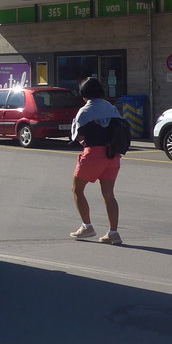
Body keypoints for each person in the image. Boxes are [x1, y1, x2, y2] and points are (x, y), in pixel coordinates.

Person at [68, 76, 124, 244]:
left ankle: (87, 226)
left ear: (84, 93)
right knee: (109, 194)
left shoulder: (85, 111)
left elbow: (79, 136)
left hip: (93, 153)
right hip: (113, 155)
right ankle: (113, 232)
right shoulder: (112, 108)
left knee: (77, 189)